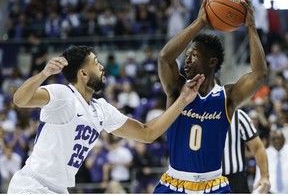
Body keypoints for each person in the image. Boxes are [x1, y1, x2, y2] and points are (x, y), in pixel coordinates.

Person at [7, 45, 205, 194]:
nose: (101, 66)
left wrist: (183, 100)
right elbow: (20, 99)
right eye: (95, 62)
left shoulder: (101, 109)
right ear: (83, 73)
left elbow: (147, 133)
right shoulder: (62, 94)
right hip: (32, 186)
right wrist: (44, 73)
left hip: (59, 189)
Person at [153, 0, 267, 194]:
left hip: (213, 185)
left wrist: (251, 28)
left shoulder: (227, 97)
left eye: (193, 55)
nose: (186, 60)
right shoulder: (177, 88)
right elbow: (164, 58)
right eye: (186, 55)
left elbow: (259, 75)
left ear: (211, 62)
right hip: (174, 183)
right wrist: (199, 22)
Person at [222, 109, 270, 193]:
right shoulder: (195, 113)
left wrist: (264, 176)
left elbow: (257, 147)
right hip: (205, 179)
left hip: (236, 179)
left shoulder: (238, 115)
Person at [253, 129, 288, 193]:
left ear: (284, 139)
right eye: (273, 139)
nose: (276, 141)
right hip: (270, 192)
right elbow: (259, 176)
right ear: (270, 140)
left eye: (278, 138)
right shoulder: (264, 154)